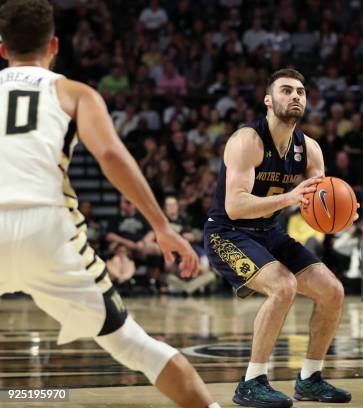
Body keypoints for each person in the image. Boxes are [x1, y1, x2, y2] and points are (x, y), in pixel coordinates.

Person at [0, 2, 220, 407]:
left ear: (2, 49)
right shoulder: (73, 92)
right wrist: (162, 226)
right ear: (54, 46)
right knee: (135, 347)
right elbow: (113, 157)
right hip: (48, 230)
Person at [204, 68, 355, 408]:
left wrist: (342, 214)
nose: (295, 96)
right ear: (268, 100)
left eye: (300, 91)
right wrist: (289, 199)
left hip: (270, 232)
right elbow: (236, 205)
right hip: (227, 232)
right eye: (286, 90)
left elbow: (321, 201)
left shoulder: (310, 149)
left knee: (332, 291)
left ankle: (310, 379)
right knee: (283, 286)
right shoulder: (247, 141)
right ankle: (251, 381)